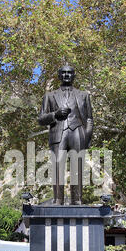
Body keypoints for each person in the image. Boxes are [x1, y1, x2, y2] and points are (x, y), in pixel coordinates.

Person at [38, 64, 93, 205]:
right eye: (63, 73)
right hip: (58, 133)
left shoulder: (84, 95)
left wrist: (86, 138)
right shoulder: (49, 96)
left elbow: (89, 119)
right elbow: (41, 119)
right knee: (57, 166)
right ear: (59, 75)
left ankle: (77, 200)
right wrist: (54, 114)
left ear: (74, 75)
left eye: (69, 73)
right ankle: (58, 200)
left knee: (77, 167)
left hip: (77, 132)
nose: (66, 75)